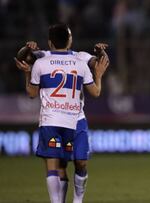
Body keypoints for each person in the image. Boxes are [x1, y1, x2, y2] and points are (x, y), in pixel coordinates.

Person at [15, 23, 109, 203]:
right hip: (57, 118)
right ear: (70, 39)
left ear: (50, 42)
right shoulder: (45, 58)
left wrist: (99, 53)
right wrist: (99, 68)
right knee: (61, 165)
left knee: (74, 163)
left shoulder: (74, 58)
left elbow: (22, 59)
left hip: (74, 120)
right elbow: (97, 86)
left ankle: (76, 200)